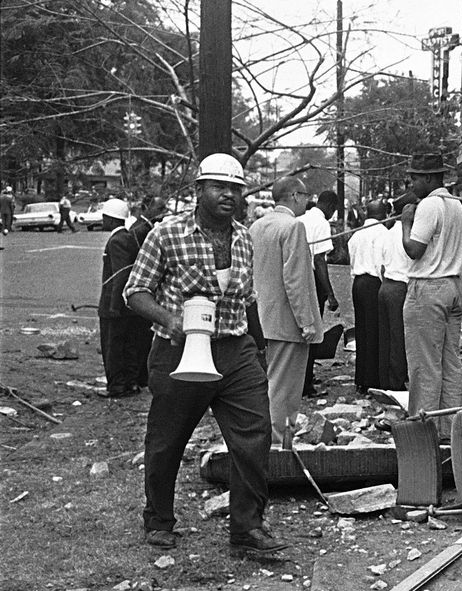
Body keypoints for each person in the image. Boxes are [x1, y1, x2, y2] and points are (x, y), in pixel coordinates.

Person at [123, 152, 286, 557]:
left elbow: (248, 300)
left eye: (236, 189)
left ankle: (247, 528)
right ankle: (158, 520)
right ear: (199, 190)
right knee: (167, 439)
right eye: (220, 187)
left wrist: (259, 349)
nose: (229, 195)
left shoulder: (244, 237)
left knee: (255, 434)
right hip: (179, 351)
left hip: (234, 349)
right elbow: (135, 291)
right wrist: (172, 319)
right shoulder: (167, 234)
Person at [250, 176, 325, 444]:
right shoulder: (294, 227)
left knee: (266, 385)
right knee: (285, 391)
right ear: (294, 196)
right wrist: (306, 322)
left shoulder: (257, 226)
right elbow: (296, 280)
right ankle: (277, 445)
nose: (307, 201)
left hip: (261, 320)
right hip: (287, 323)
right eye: (305, 196)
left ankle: (265, 439)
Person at [397, 153, 462, 420]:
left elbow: (414, 249)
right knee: (450, 364)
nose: (411, 184)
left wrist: (405, 222)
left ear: (428, 178)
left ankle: (422, 432)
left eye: (414, 179)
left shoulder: (429, 205)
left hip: (428, 290)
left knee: (424, 366)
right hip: (453, 287)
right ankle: (450, 429)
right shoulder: (456, 204)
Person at [97, 198, 149, 398]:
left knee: (113, 347)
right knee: (128, 346)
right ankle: (130, 383)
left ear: (111, 219)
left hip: (115, 306)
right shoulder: (127, 238)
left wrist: (114, 305)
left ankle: (117, 386)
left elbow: (120, 275)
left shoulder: (117, 240)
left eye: (105, 217)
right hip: (126, 307)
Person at [297, 189, 339, 396]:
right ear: (330, 207)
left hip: (298, 279)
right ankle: (306, 385)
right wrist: (330, 293)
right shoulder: (322, 223)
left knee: (300, 331)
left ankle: (302, 377)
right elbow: (319, 260)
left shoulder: (301, 219)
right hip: (313, 280)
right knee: (312, 332)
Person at [348, 200, 387, 393]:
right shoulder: (382, 233)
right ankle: (372, 379)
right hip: (374, 283)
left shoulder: (356, 235)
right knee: (375, 331)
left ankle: (361, 378)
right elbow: (381, 263)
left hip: (358, 283)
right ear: (384, 215)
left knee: (362, 330)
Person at [377, 199, 412, 390]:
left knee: (386, 337)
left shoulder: (388, 233)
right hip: (399, 287)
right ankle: (396, 384)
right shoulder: (409, 235)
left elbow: (380, 265)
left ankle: (386, 381)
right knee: (399, 337)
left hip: (386, 286)